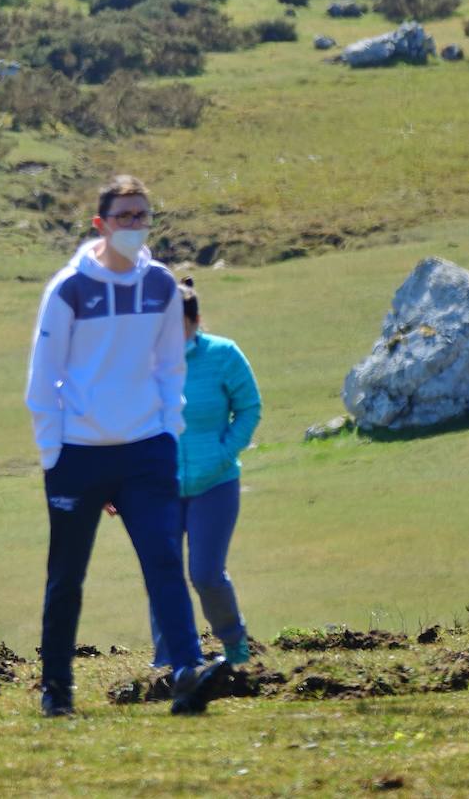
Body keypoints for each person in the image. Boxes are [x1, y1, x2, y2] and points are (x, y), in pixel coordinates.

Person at [25, 174, 229, 717]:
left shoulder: (161, 285)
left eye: (143, 215)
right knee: (67, 575)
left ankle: (186, 670)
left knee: (165, 559)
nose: (135, 225)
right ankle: (57, 691)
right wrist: (54, 453)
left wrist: (167, 431)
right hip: (77, 454)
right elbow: (43, 379)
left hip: (146, 451)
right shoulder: (69, 289)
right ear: (100, 224)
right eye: (124, 216)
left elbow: (169, 365)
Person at [148, 277, 261, 668]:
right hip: (159, 486)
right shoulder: (145, 363)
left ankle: (234, 644)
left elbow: (249, 408)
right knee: (162, 572)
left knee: (206, 573)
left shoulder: (224, 356)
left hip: (215, 484)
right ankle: (171, 662)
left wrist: (222, 454)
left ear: (193, 321)